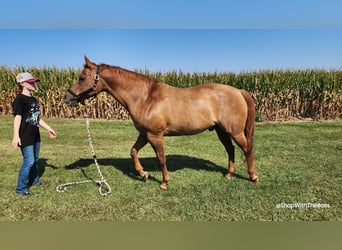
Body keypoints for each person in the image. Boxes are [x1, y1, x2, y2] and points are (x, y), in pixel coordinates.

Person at [12, 72, 56, 196]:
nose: (33, 83)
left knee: (35, 160)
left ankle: (34, 180)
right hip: (25, 135)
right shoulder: (19, 99)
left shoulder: (33, 99)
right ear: (22, 83)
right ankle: (21, 189)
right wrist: (16, 135)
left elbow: (36, 118)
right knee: (29, 161)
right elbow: (18, 117)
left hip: (35, 135)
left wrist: (49, 128)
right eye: (30, 82)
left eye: (33, 81)